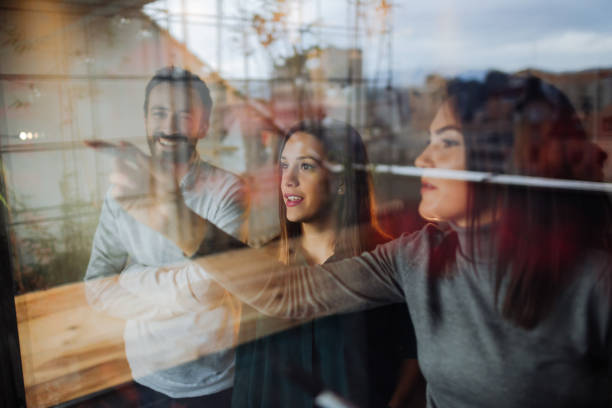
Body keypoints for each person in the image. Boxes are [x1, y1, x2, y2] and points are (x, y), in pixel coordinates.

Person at [190, 72, 612, 407]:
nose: (420, 159)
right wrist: (167, 212)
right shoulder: (419, 256)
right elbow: (287, 294)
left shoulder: (594, 284)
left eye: (445, 142)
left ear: (506, 159)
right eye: (428, 141)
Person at [84, 66, 248, 407]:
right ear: (145, 120)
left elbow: (212, 285)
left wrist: (132, 277)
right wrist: (183, 298)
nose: (169, 127)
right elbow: (97, 286)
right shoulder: (121, 194)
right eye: (159, 113)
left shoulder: (229, 190)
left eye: (183, 115)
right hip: (145, 375)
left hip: (213, 381)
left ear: (203, 126)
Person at [231, 119, 421, 408]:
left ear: (341, 180)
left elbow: (412, 354)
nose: (288, 180)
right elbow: (249, 371)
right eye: (284, 165)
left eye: (305, 166)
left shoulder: (384, 260)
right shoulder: (265, 262)